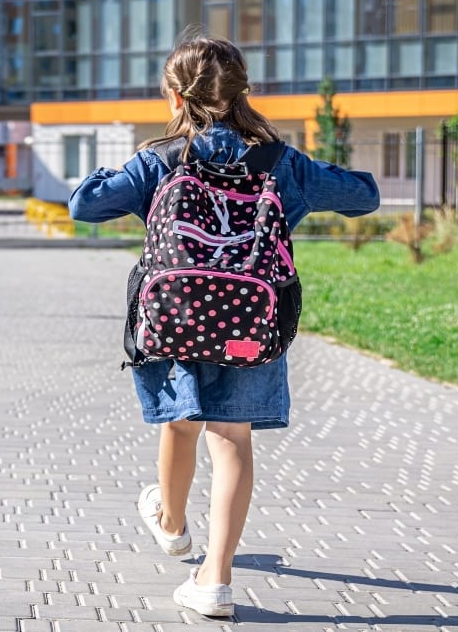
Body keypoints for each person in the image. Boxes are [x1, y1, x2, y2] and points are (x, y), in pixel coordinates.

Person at [68, 31, 379, 618]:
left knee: (181, 424)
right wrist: (309, 172)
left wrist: (124, 167)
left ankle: (172, 522)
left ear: (174, 96)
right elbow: (365, 197)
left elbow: (84, 206)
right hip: (251, 325)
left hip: (175, 317)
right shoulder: (282, 163)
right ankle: (215, 579)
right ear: (243, 93)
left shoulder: (159, 160)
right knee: (231, 440)